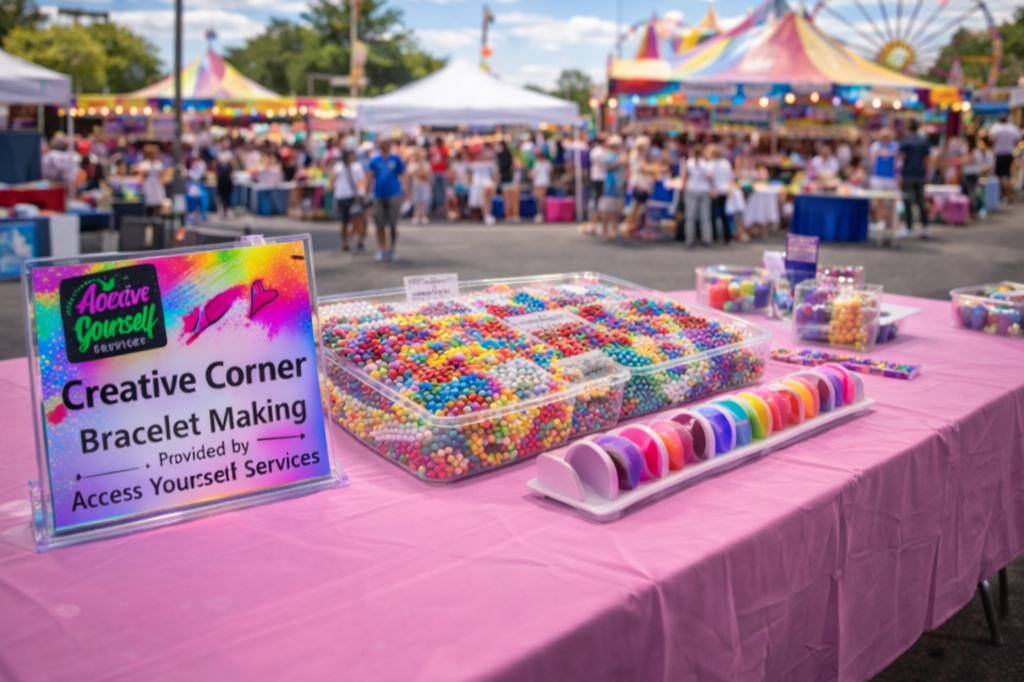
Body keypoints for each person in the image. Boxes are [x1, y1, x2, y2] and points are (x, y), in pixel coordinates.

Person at [367, 139, 407, 261]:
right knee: (379, 224)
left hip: (394, 195)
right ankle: (382, 248)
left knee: (393, 225)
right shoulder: (375, 160)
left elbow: (403, 175)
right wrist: (366, 193)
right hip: (378, 195)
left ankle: (392, 248)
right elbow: (370, 176)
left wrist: (406, 193)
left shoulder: (396, 159)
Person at [898, 119, 932, 239]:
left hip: (908, 174)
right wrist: (927, 174)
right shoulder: (923, 141)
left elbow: (900, 159)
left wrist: (898, 175)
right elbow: (928, 160)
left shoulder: (905, 141)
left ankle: (909, 227)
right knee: (921, 201)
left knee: (907, 201)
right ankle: (925, 227)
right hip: (920, 174)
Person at [330, 149, 367, 251]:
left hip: (353, 197)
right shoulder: (338, 167)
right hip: (342, 196)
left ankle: (360, 240)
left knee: (358, 220)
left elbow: (362, 181)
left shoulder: (357, 166)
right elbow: (332, 180)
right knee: (344, 221)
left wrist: (359, 194)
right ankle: (345, 242)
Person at [624, 136, 658, 237]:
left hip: (639, 182)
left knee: (637, 207)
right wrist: (655, 168)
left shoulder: (636, 154)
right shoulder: (637, 155)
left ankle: (632, 227)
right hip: (639, 183)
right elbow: (643, 168)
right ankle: (631, 227)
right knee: (637, 207)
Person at [682, 144, 713, 247]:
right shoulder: (706, 164)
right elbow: (710, 177)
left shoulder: (689, 163)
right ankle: (707, 238)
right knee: (705, 216)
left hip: (692, 190)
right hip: (704, 190)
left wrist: (683, 189)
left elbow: (684, 177)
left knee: (690, 216)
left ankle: (689, 239)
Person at [988, 115, 1021, 203]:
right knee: (1008, 175)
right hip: (1009, 153)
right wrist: (1012, 145)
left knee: (1000, 176)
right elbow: (1018, 139)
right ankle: (1008, 194)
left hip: (999, 154)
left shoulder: (996, 128)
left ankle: (1005, 193)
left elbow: (991, 140)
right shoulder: (1012, 128)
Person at [707, 145, 733, 245]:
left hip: (716, 191)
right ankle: (727, 236)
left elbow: (710, 178)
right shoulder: (726, 163)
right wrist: (729, 188)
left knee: (714, 214)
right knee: (723, 214)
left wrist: (712, 189)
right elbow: (730, 177)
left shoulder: (711, 164)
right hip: (724, 190)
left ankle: (715, 236)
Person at [582, 136, 608, 235]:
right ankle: (594, 223)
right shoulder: (598, 151)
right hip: (598, 178)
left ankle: (599, 223)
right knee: (598, 200)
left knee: (600, 200)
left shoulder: (600, 151)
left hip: (601, 178)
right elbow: (604, 163)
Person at [136, 144, 168, 216]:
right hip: (148, 186)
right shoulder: (145, 164)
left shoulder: (158, 164)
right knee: (149, 207)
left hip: (156, 186)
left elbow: (162, 176)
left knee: (157, 207)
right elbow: (140, 176)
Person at [497, 140, 521, 223]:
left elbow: (500, 170)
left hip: (506, 179)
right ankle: (514, 215)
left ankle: (509, 215)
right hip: (511, 179)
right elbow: (516, 166)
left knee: (507, 199)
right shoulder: (510, 154)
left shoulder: (500, 156)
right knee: (512, 199)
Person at [409, 147, 433, 225]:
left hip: (424, 184)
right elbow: (411, 173)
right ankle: (417, 215)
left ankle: (422, 215)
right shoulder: (413, 163)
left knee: (423, 201)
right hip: (416, 183)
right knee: (416, 200)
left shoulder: (426, 163)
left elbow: (427, 175)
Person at [215, 141, 238, 219]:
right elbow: (216, 165)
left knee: (227, 195)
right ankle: (222, 209)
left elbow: (233, 164)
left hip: (227, 177)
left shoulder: (230, 154)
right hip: (221, 177)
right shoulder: (219, 154)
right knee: (221, 195)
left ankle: (228, 209)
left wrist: (232, 174)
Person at [429, 136, 449, 217]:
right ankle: (436, 206)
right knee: (436, 189)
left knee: (442, 189)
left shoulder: (444, 149)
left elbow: (446, 159)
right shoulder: (432, 149)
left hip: (442, 171)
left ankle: (441, 206)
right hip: (434, 172)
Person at [531, 151, 553, 224]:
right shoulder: (537, 163)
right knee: (538, 198)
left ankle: (541, 214)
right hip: (538, 183)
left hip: (543, 183)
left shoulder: (545, 163)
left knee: (541, 200)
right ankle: (540, 214)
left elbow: (551, 172)